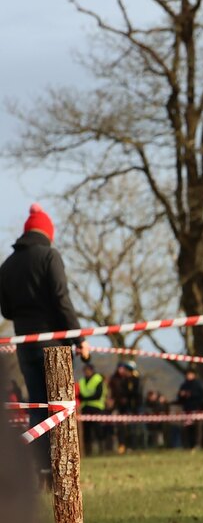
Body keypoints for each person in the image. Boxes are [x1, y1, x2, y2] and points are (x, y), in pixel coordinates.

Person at [0, 204, 88, 476]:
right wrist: (79, 338)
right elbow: (61, 299)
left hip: (25, 343)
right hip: (54, 346)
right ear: (48, 233)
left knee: (38, 405)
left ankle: (40, 467)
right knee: (60, 406)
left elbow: (7, 311)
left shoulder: (7, 265)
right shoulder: (50, 256)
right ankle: (63, 470)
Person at [77, 356, 111, 455]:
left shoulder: (98, 379)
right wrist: (84, 398)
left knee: (98, 429)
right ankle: (88, 451)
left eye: (88, 370)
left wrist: (85, 398)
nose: (86, 372)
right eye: (85, 370)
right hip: (85, 408)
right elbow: (79, 394)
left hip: (97, 408)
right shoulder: (81, 381)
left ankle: (102, 450)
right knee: (86, 431)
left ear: (92, 370)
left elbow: (98, 395)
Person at [108, 362, 144, 452]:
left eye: (127, 370)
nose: (125, 371)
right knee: (125, 428)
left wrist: (127, 398)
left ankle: (135, 446)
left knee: (134, 428)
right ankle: (126, 446)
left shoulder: (135, 380)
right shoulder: (124, 381)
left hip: (135, 407)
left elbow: (136, 393)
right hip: (125, 407)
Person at [175, 367, 203, 450]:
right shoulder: (184, 385)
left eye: (190, 374)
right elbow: (179, 398)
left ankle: (197, 444)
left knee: (197, 429)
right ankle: (187, 445)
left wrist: (190, 394)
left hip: (197, 409)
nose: (188, 376)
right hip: (187, 410)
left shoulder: (199, 384)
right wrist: (182, 395)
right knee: (187, 428)